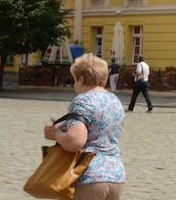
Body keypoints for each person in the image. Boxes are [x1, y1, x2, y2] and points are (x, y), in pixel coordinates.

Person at [42, 53, 125, 199]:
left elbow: (76, 141)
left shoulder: (82, 101)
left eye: (74, 80)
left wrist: (54, 134)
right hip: (115, 175)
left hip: (89, 175)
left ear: (81, 79)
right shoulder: (114, 100)